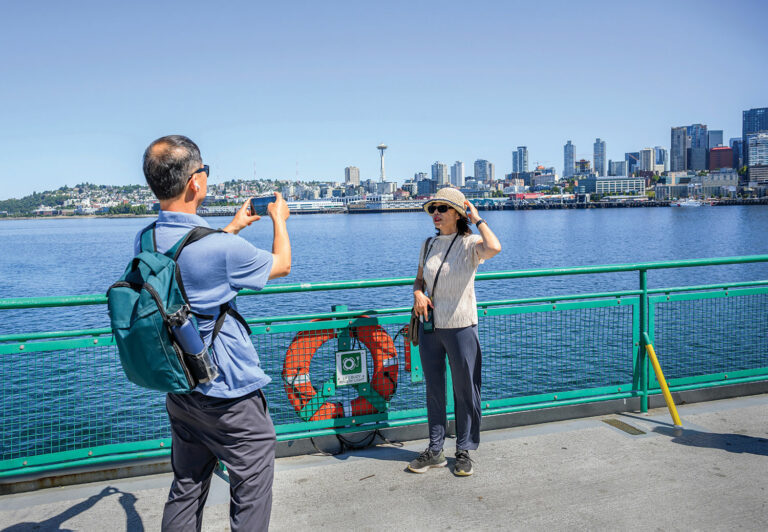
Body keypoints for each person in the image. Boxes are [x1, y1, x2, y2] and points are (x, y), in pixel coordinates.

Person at [139, 135, 291, 531]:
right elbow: (281, 264)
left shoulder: (146, 238)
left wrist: (234, 227)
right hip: (229, 396)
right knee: (251, 487)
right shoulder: (221, 249)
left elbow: (186, 260)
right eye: (204, 170)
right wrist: (279, 221)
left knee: (186, 487)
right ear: (195, 182)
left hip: (181, 386)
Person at [408, 187, 501, 476]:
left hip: (461, 326)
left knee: (465, 391)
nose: (435, 214)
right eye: (433, 209)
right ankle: (435, 449)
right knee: (434, 391)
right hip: (431, 327)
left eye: (442, 209)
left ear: (457, 214)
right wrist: (418, 294)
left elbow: (495, 247)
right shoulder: (427, 245)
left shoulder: (471, 243)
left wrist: (478, 219)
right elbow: (419, 280)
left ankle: (464, 449)